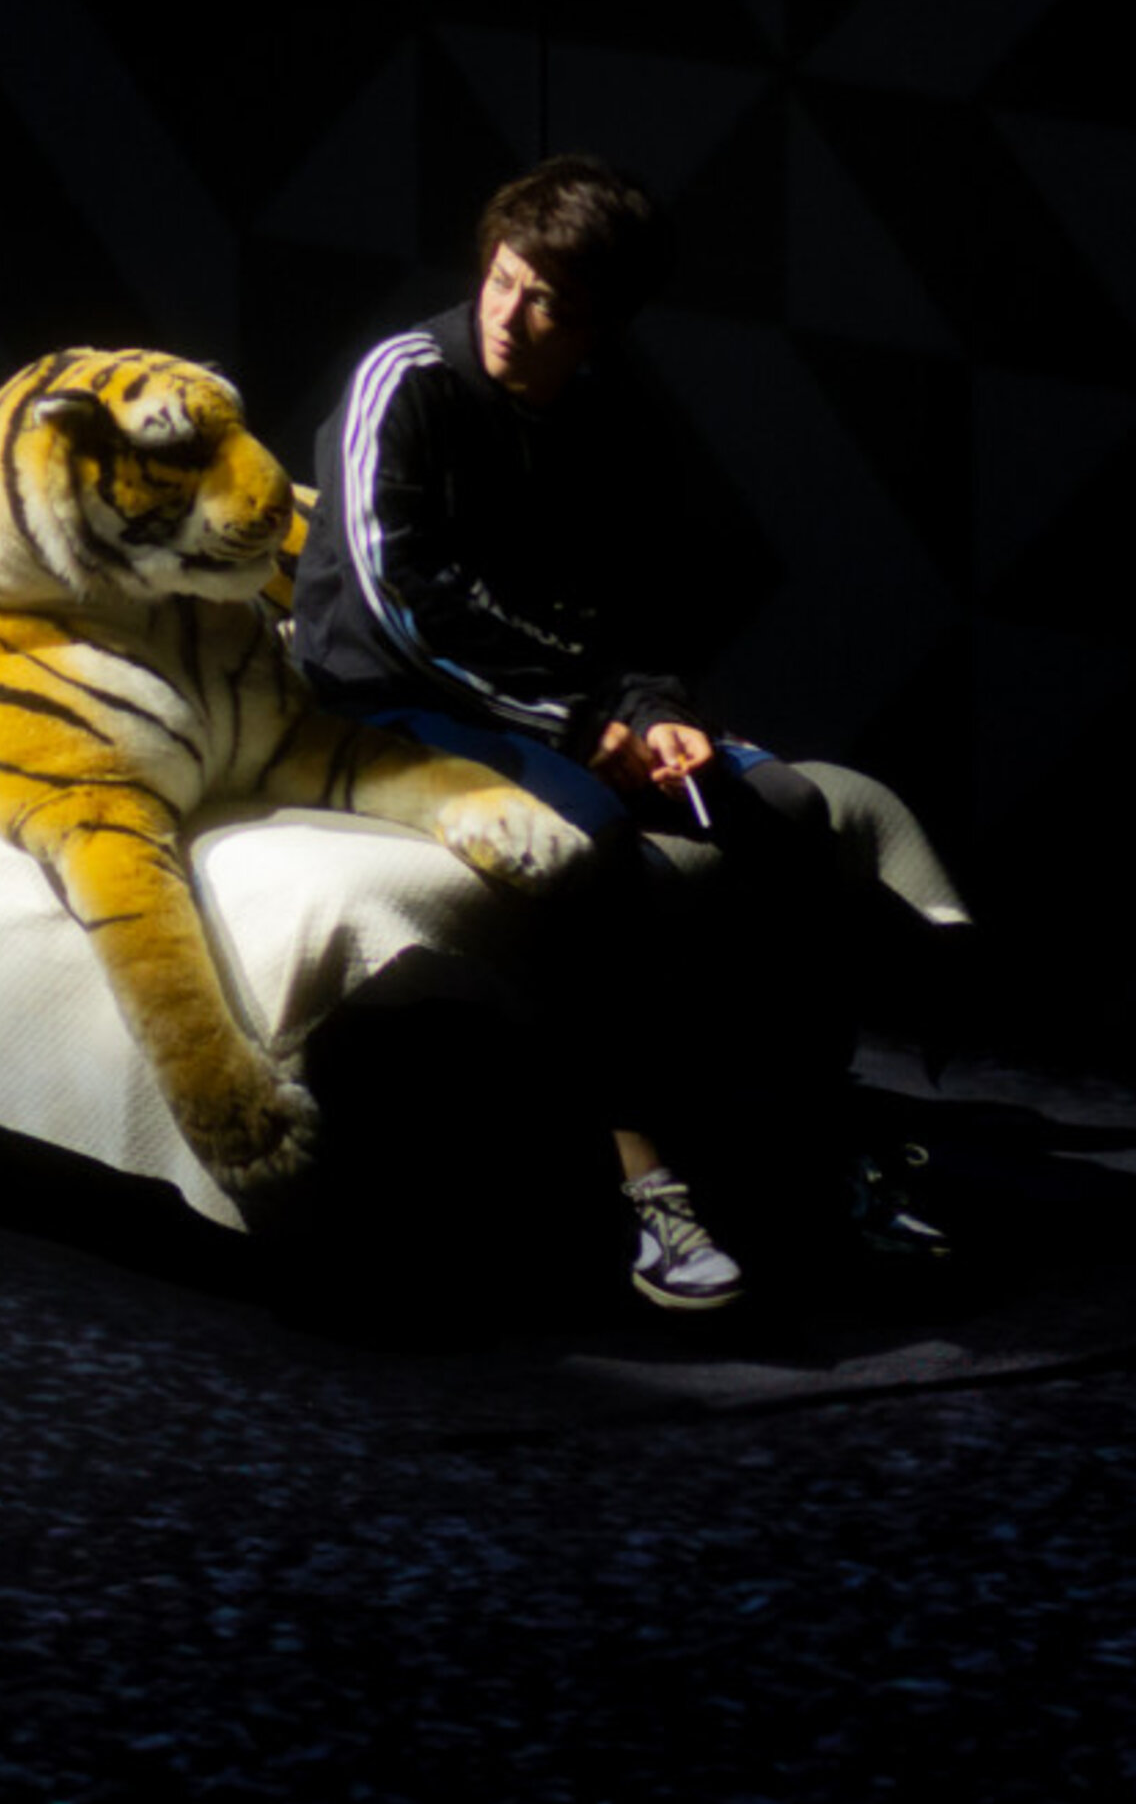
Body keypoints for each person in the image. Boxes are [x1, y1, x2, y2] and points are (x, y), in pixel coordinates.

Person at [293, 157, 932, 1313]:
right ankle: (645, 1183)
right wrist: (581, 723)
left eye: (546, 302)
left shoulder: (606, 416)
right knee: (589, 844)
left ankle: (815, 1148)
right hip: (391, 698)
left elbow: (634, 605)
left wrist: (659, 713)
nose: (508, 314)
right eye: (501, 280)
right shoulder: (406, 379)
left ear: (598, 325)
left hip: (560, 699)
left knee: (786, 808)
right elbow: (400, 607)